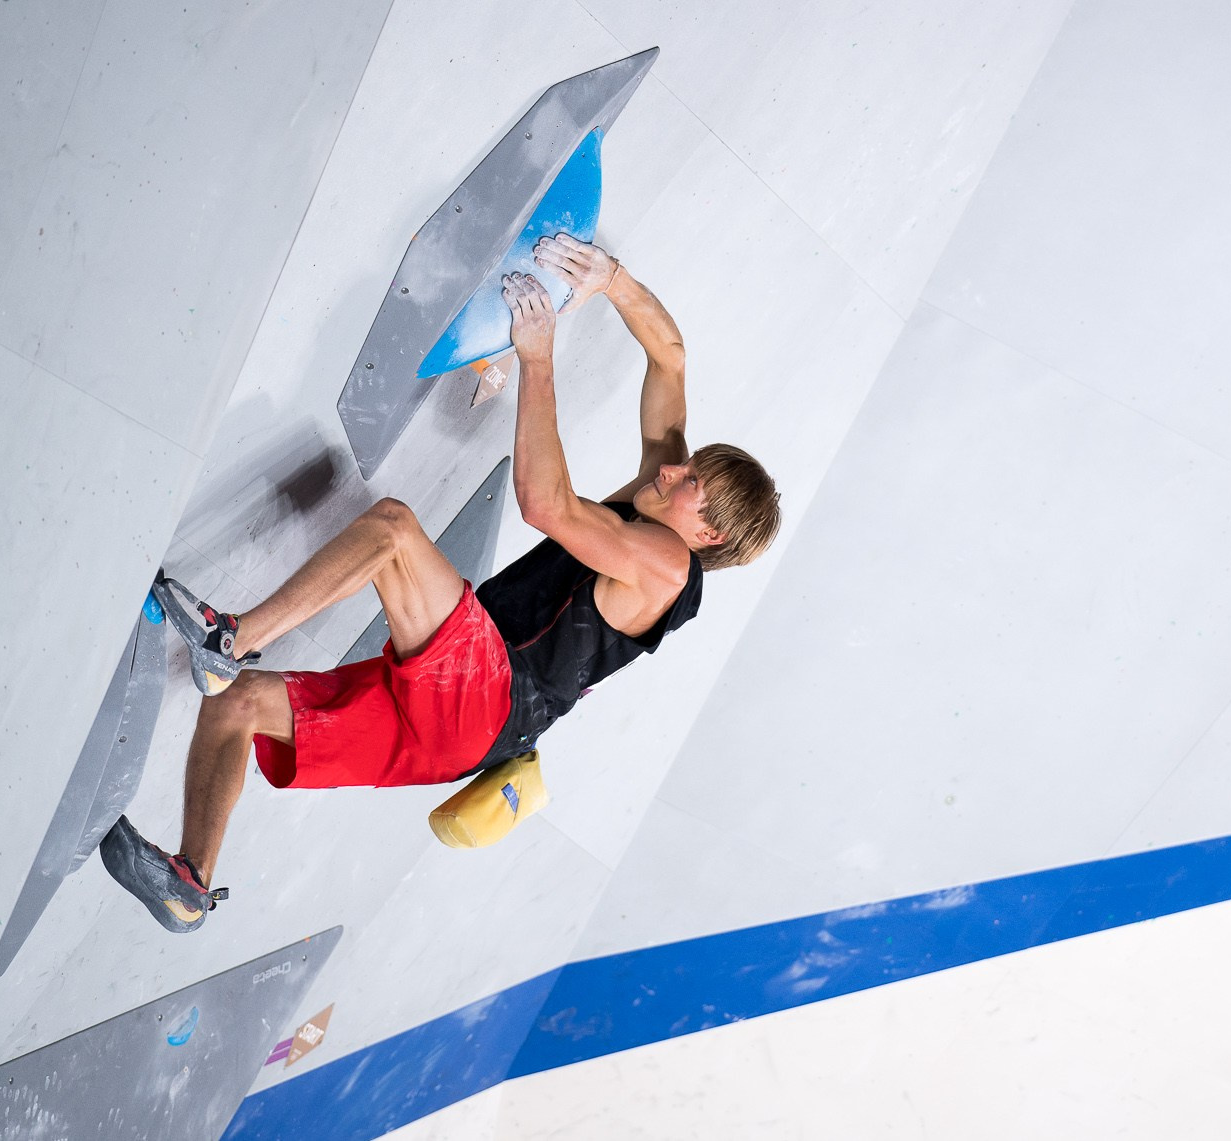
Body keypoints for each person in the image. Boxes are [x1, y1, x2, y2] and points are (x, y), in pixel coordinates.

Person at [102, 233, 780, 932]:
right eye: (687, 464)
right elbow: (671, 356)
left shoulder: (668, 566)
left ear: (712, 536)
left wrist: (537, 358)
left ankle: (231, 638)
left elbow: (546, 505)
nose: (671, 470)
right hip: (459, 731)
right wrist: (613, 279)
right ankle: (191, 884)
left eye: (690, 482)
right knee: (237, 709)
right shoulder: (659, 502)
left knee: (393, 531)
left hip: (486, 697)